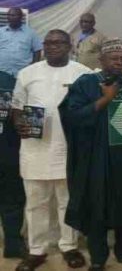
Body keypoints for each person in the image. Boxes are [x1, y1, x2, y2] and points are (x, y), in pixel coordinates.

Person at [59, 38, 122, 270]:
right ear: (101, 60)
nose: (119, 62)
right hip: (97, 159)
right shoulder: (87, 83)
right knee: (97, 208)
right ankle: (98, 259)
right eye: (113, 58)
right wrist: (105, 99)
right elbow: (72, 116)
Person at [10, 30, 90, 271]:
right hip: (35, 149)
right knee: (36, 202)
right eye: (48, 43)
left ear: (69, 46)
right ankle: (36, 250)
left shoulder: (83, 73)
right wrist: (19, 124)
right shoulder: (27, 73)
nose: (52, 47)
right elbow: (16, 107)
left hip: (69, 149)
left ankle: (69, 246)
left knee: (67, 201)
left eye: (58, 43)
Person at [0, 70, 26, 260]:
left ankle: (13, 244)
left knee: (12, 199)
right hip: (9, 151)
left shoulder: (12, 81)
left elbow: (27, 113)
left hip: (8, 151)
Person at [0, 7, 42, 77]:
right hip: (2, 72)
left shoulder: (31, 33)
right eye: (9, 15)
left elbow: (37, 51)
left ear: (21, 17)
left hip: (22, 73)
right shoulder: (1, 32)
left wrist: (33, 68)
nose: (10, 17)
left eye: (13, 15)